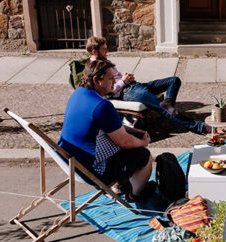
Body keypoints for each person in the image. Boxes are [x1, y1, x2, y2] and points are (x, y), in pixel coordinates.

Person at [58, 58, 154, 199]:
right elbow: (125, 142)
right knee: (143, 155)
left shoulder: (78, 93)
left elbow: (112, 128)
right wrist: (143, 142)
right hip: (93, 171)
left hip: (70, 161)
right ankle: (136, 194)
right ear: (97, 80)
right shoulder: (102, 106)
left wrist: (135, 132)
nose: (115, 82)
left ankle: (123, 185)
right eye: (110, 79)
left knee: (131, 142)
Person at [86, 37, 210, 135]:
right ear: (94, 51)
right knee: (164, 109)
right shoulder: (96, 69)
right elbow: (106, 93)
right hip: (128, 92)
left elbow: (114, 79)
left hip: (134, 85)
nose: (107, 51)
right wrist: (123, 81)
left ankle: (168, 103)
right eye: (104, 49)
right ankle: (198, 127)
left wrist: (126, 78)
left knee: (174, 80)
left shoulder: (104, 62)